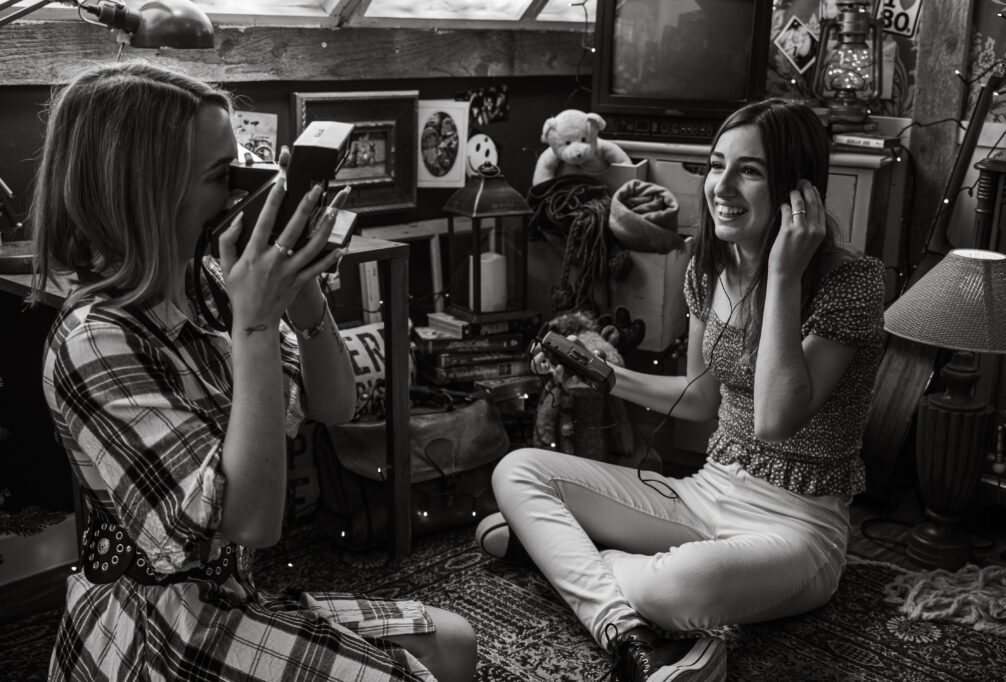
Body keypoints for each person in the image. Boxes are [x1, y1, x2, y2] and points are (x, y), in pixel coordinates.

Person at [31, 61, 476, 682]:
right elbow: (253, 521)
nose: (249, 190)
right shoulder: (96, 342)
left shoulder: (208, 284)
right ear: (146, 192)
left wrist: (305, 294)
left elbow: (335, 406)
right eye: (224, 175)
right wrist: (257, 328)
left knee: (454, 642)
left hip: (232, 592)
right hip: (162, 622)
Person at [476, 98, 885, 681]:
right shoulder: (709, 267)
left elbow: (775, 419)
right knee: (516, 470)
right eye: (718, 165)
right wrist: (607, 375)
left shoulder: (852, 283)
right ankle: (629, 625)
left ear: (800, 191)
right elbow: (700, 400)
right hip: (705, 493)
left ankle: (565, 558)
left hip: (798, 528)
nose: (722, 186)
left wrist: (784, 275)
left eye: (750, 170)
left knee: (677, 585)